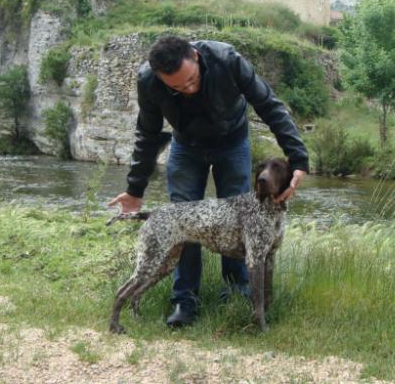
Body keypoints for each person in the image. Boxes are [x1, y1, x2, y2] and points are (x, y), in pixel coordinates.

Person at [108, 35, 308, 327]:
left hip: (233, 141)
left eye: (191, 79)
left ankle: (237, 294)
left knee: (243, 221)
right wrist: (135, 189)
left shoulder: (227, 59)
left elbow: (268, 104)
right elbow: (147, 133)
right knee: (183, 221)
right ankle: (184, 301)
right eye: (176, 87)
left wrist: (298, 158)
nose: (188, 89)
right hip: (186, 146)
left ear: (196, 57)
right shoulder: (148, 80)